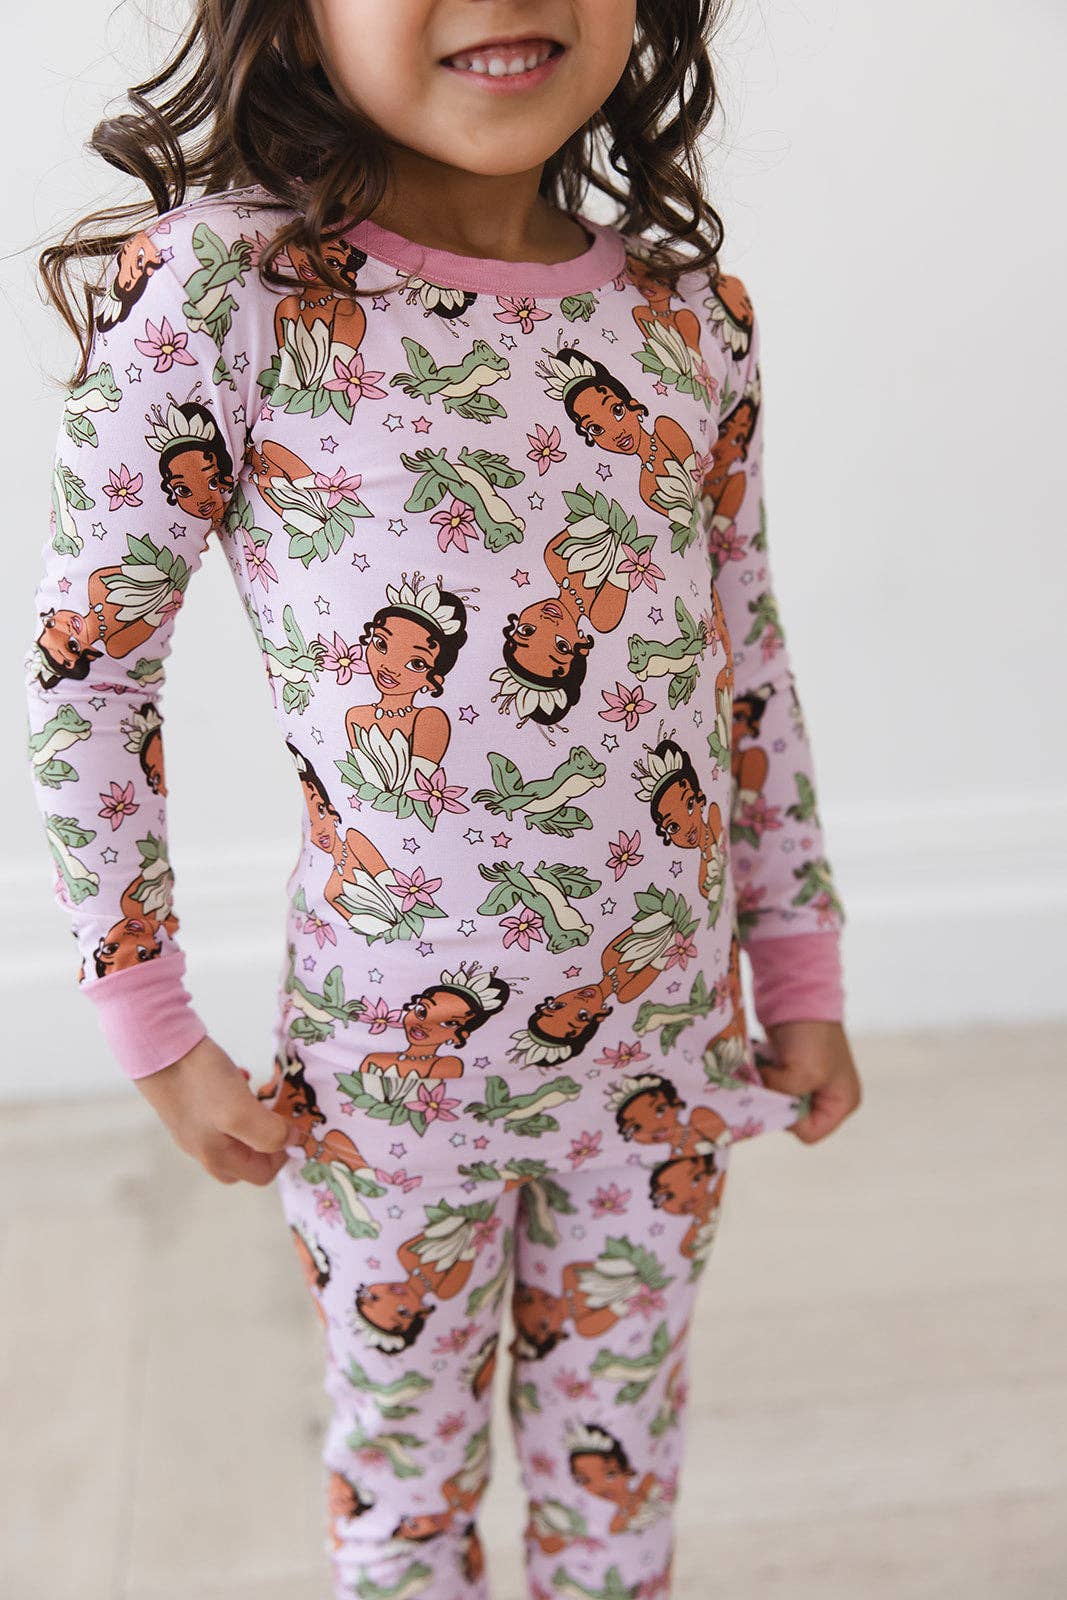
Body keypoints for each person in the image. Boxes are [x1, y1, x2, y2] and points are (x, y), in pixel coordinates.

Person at [21, 2, 863, 1594]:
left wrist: (798, 962)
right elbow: (91, 673)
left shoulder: (690, 319)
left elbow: (745, 661)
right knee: (405, 1503)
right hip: (391, 1088)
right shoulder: (227, 292)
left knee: (620, 1491)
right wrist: (150, 1018)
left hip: (664, 1056)